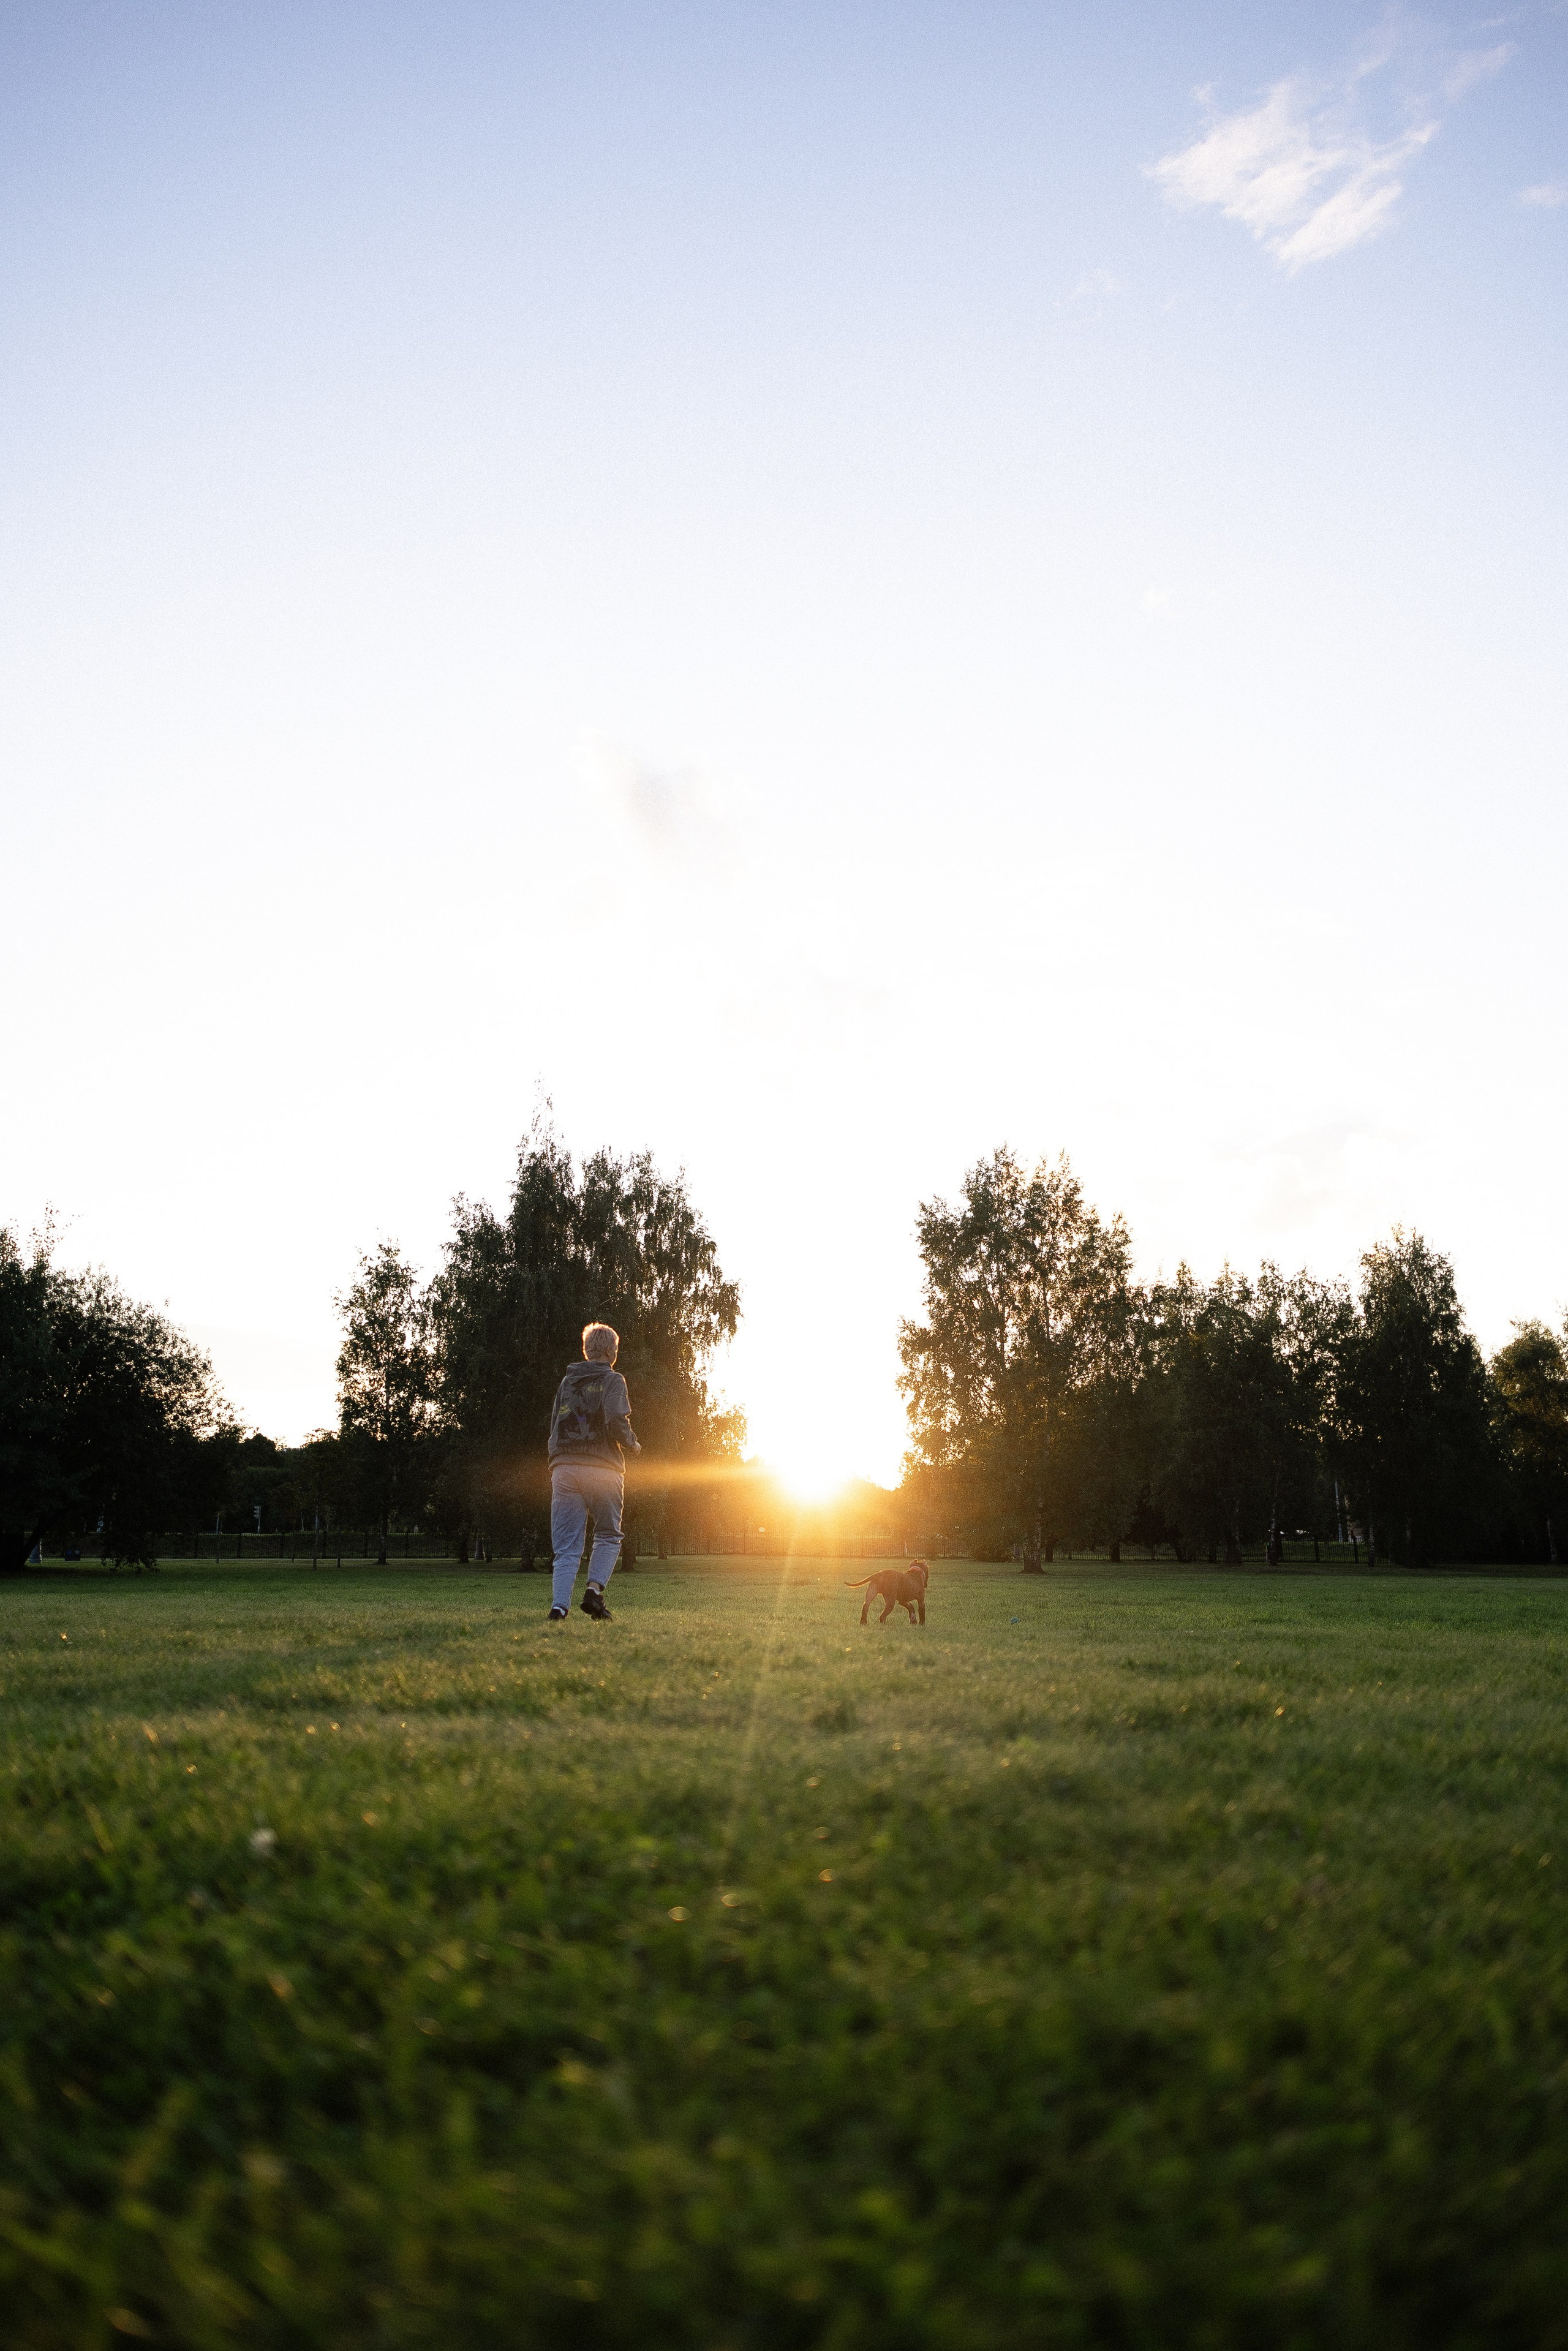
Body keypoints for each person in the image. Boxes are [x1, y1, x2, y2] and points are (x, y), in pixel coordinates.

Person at [546, 1321, 641, 1621]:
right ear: (612, 1352)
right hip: (603, 1467)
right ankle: (594, 1591)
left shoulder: (567, 1382)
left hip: (565, 1467)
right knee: (608, 1534)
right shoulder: (614, 1380)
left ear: (586, 1351)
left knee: (567, 1543)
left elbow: (555, 1423)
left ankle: (559, 1607)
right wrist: (632, 1444)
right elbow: (616, 1418)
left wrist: (556, 1458)